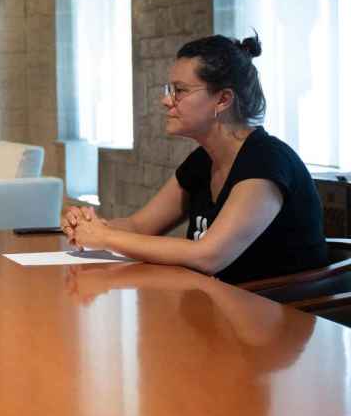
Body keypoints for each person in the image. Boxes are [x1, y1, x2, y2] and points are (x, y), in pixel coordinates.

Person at [61, 35, 327, 284]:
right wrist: (88, 226)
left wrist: (105, 237)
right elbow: (139, 226)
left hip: (273, 316)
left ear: (223, 99)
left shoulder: (266, 163)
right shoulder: (203, 160)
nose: (166, 100)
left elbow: (208, 256)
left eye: (179, 90)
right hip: (217, 306)